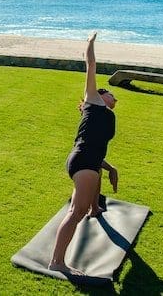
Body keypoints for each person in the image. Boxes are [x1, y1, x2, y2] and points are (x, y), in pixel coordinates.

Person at [49, 32, 119, 277]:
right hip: (84, 161)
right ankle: (57, 261)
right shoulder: (93, 101)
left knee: (92, 186)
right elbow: (91, 65)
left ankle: (95, 209)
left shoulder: (104, 114)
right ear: (100, 95)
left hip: (87, 160)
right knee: (75, 212)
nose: (115, 97)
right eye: (111, 93)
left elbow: (97, 148)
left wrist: (111, 168)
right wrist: (90, 43)